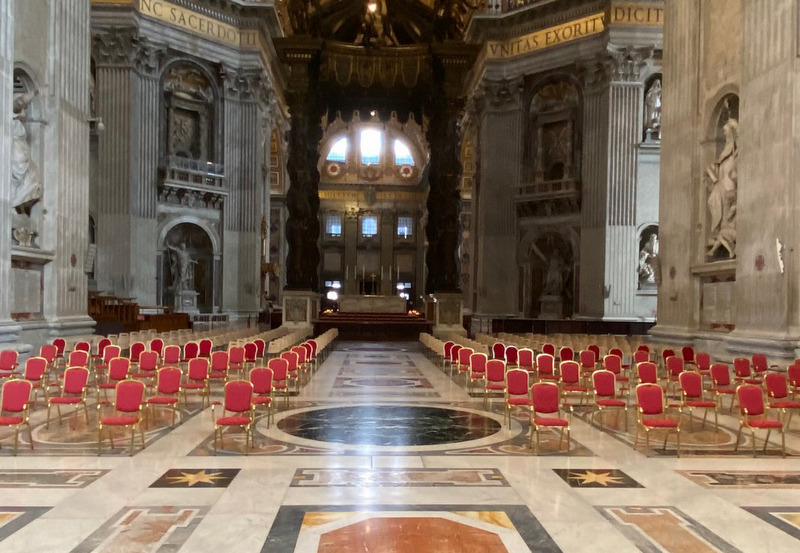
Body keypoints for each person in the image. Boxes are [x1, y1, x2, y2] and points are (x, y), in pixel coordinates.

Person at [706, 113, 738, 258]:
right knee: (712, 201)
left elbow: (733, 172)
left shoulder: (734, 152)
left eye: (725, 131)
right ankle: (721, 241)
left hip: (728, 188)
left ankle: (725, 245)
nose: (724, 134)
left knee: (725, 219)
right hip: (722, 186)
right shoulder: (726, 150)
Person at [11, 89, 43, 213]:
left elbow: (20, 103)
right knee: (20, 161)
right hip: (12, 140)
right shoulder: (10, 103)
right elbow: (19, 102)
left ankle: (18, 197)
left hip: (18, 139)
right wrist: (33, 94)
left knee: (26, 169)